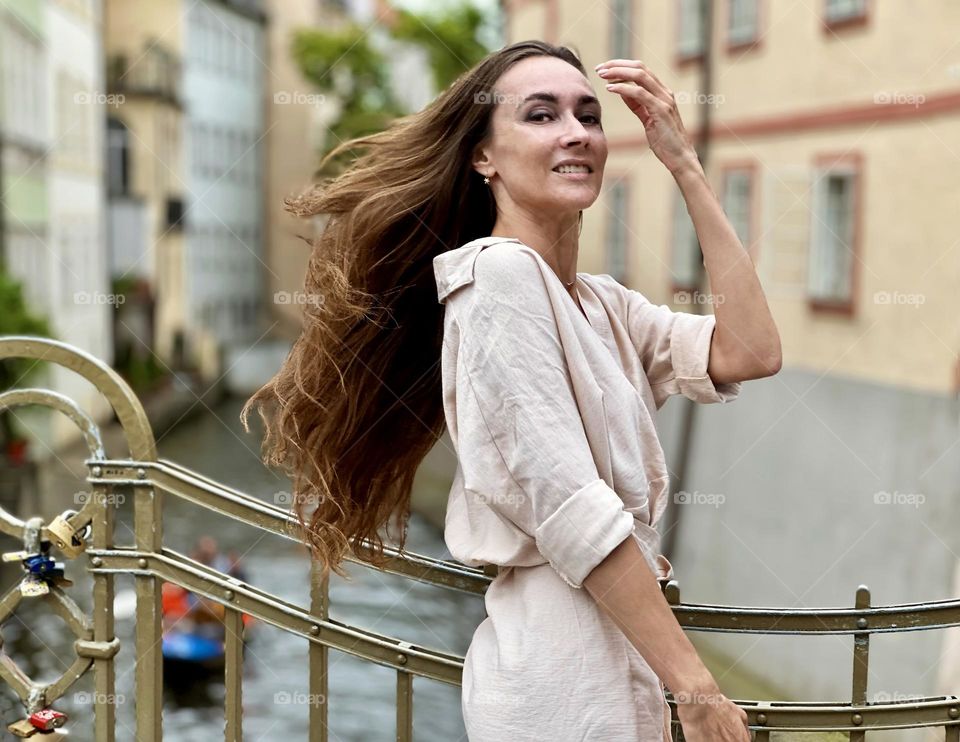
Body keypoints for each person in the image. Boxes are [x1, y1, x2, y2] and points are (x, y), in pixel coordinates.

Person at [242, 39, 781, 742]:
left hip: (620, 670)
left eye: (589, 115)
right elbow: (569, 506)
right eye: (541, 115)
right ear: (483, 158)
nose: (576, 132)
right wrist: (697, 684)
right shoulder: (497, 279)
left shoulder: (600, 304)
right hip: (561, 688)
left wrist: (684, 165)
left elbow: (751, 349)